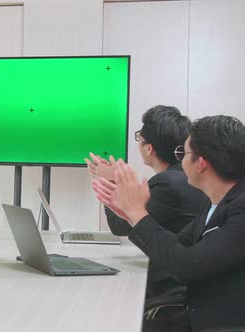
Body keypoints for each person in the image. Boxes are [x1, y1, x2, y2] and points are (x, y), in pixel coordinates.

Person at [92, 115, 245, 331]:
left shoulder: (241, 207)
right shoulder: (212, 201)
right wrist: (130, 215)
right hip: (196, 312)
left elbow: (187, 266)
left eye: (183, 153)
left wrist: (137, 213)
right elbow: (178, 245)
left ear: (201, 164)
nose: (179, 161)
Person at [86, 106, 206, 297]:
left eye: (139, 140)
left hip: (172, 285)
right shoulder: (182, 178)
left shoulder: (167, 184)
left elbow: (121, 227)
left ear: (149, 148)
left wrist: (111, 182)